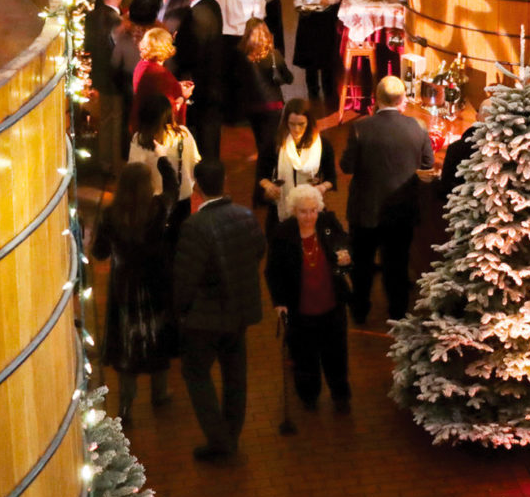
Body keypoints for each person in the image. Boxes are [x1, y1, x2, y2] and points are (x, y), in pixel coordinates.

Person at [171, 158, 266, 461]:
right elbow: (259, 250)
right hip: (239, 310)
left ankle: (219, 440)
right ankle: (231, 435)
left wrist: (180, 310)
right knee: (235, 376)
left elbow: (186, 277)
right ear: (225, 183)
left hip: (205, 318)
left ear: (197, 187)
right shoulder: (245, 216)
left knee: (196, 373)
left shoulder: (195, 226)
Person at [338, 76, 437, 324]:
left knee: (362, 265)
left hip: (365, 210)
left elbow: (347, 166)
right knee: (397, 264)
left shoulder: (361, 128)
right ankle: (397, 313)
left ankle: (360, 310)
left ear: (376, 98)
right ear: (403, 99)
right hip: (401, 212)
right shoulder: (418, 127)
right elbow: (428, 164)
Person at [90, 160, 176, 423]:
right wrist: (165, 166)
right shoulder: (157, 209)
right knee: (157, 337)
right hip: (155, 283)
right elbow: (172, 191)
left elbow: (99, 252)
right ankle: (159, 393)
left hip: (124, 287)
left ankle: (126, 405)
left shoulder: (109, 215)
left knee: (127, 345)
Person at [265, 184, 353, 412]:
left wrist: (344, 256)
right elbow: (273, 271)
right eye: (304, 211)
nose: (309, 216)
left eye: (313, 210)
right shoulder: (283, 233)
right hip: (299, 307)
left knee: (336, 353)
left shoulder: (327, 224)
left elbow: (343, 241)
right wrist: (279, 302)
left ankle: (340, 394)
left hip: (331, 302)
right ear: (294, 211)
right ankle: (309, 395)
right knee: (305, 356)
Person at [174, 0, 228, 162]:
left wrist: (176, 42)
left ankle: (201, 162)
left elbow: (189, 49)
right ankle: (212, 161)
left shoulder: (194, 14)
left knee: (200, 124)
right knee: (212, 123)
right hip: (215, 74)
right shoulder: (213, 6)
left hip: (199, 77)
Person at [237, 21, 292, 200]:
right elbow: (289, 78)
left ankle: (265, 187)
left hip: (251, 108)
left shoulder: (240, 56)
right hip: (272, 107)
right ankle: (263, 190)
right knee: (268, 149)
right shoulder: (273, 55)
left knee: (262, 145)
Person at [260, 98, 337, 220]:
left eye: (301, 124)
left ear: (309, 122)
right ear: (286, 123)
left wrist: (322, 187)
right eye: (292, 124)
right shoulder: (275, 144)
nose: (296, 129)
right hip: (282, 210)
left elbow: (331, 178)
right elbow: (262, 175)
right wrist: (268, 186)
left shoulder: (323, 145)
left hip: (311, 210)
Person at [136, 93, 200, 239]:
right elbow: (195, 163)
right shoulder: (185, 134)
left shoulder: (141, 139)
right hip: (182, 200)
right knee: (179, 241)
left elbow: (136, 170)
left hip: (154, 203)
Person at [290, 0, 342, 108]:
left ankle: (329, 90)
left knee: (326, 56)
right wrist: (303, 6)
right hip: (308, 20)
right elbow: (297, 2)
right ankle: (313, 91)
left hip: (325, 19)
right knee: (309, 58)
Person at [87, 0, 126, 176]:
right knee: (116, 121)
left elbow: (88, 47)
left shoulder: (91, 17)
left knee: (104, 120)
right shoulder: (118, 21)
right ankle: (116, 165)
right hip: (116, 79)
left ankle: (104, 161)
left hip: (100, 76)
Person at [132, 25, 187, 133]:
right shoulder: (161, 75)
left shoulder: (142, 66)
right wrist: (183, 96)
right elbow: (168, 110)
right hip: (159, 132)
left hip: (141, 124)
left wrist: (176, 85)